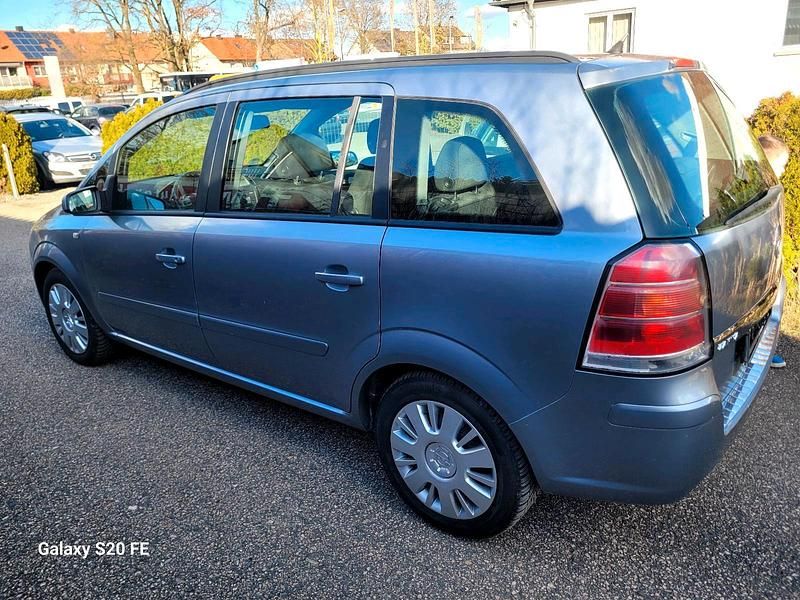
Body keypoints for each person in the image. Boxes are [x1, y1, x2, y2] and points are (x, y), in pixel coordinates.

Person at [759, 134, 790, 369]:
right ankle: (761, 354)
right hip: (757, 260)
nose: (782, 170)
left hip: (768, 257)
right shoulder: (760, 189)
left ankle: (764, 352)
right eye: (781, 165)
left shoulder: (772, 189)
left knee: (770, 305)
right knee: (762, 307)